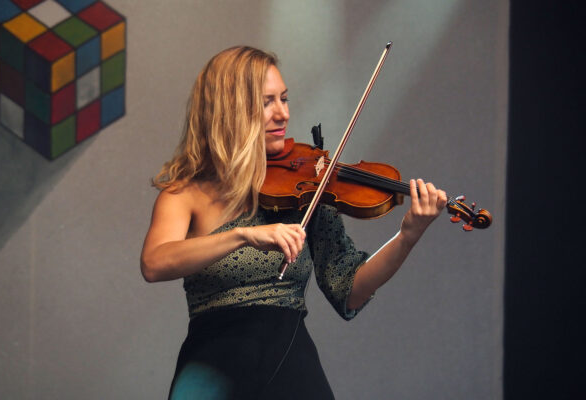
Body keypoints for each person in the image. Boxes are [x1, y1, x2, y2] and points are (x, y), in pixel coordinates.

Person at [140, 46, 447, 400]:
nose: (283, 113)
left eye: (284, 99)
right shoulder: (184, 194)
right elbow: (154, 263)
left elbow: (349, 287)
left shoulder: (308, 190)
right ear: (231, 108)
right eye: (267, 101)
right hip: (213, 366)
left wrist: (407, 236)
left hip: (289, 361)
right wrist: (243, 235)